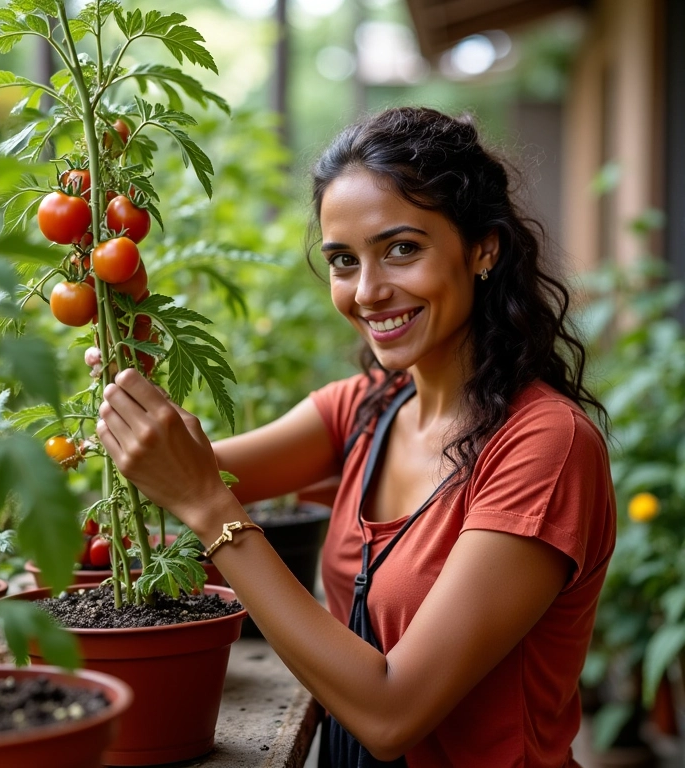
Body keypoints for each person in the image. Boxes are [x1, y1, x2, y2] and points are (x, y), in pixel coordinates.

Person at [96, 106, 616, 767]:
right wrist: (124, 367)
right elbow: (188, 468)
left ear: (483, 247)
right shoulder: (369, 406)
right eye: (344, 260)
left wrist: (210, 512)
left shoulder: (544, 447)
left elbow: (392, 712)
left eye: (403, 249)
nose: (368, 291)